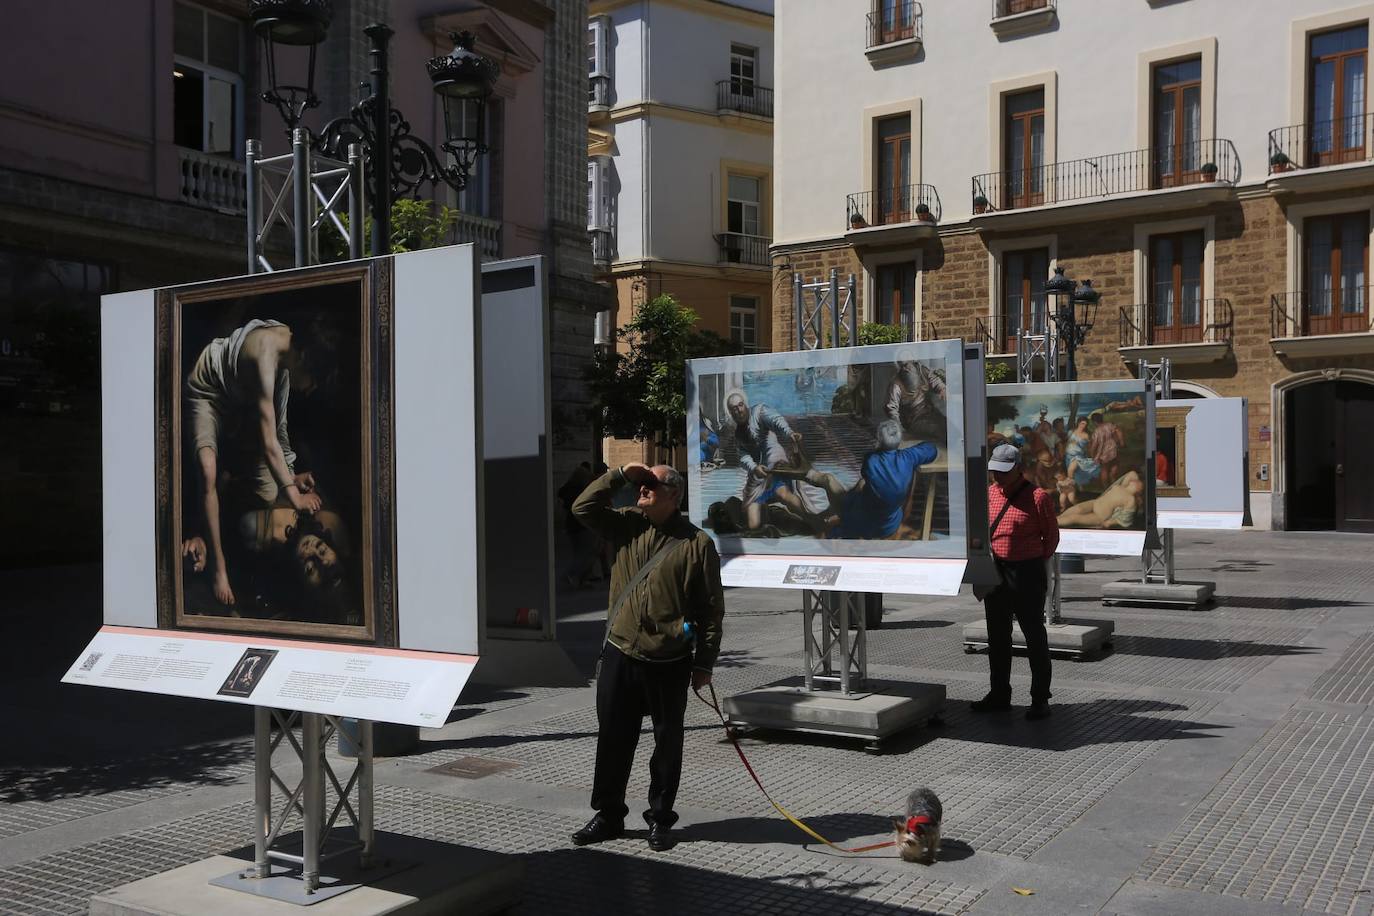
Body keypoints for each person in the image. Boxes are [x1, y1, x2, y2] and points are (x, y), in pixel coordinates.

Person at [569, 462, 725, 852]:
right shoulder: (626, 525)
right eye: (641, 484)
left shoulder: (696, 544)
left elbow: (710, 608)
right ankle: (608, 815)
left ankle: (659, 820)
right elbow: (581, 508)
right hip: (620, 652)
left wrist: (704, 661)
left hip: (669, 662)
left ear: (673, 495)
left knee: (666, 746)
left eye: (651, 485)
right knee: (613, 741)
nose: (642, 489)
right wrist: (619, 474)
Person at [185, 319, 323, 607]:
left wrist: (290, 477)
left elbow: (279, 432)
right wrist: (295, 497)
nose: (308, 388)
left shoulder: (283, 367)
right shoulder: (267, 353)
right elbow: (268, 440)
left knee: (268, 493)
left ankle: (230, 485)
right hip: (209, 390)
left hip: (239, 399)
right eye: (310, 380)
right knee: (207, 472)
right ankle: (218, 568)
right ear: (304, 358)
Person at [974, 442, 1059, 721]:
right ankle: (999, 694)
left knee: (1034, 636)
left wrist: (1031, 560)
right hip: (996, 572)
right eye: (994, 472)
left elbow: (1051, 538)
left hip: (1026, 573)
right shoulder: (988, 495)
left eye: (1003, 472)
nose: (998, 477)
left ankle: (1039, 699)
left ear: (1019, 469)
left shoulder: (1038, 498)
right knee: (997, 637)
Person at [778, 420, 938, 539]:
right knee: (863, 485)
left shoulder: (872, 460)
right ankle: (834, 510)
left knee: (828, 479)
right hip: (889, 524)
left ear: (879, 440)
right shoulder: (908, 457)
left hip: (865, 524)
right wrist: (909, 452)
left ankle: (808, 478)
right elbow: (931, 449)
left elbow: (870, 471)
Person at [725, 390, 819, 529]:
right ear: (731, 413)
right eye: (734, 409)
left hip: (774, 462)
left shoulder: (759, 412)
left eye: (740, 405)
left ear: (745, 405)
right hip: (758, 476)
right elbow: (743, 456)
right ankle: (770, 514)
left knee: (783, 494)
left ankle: (813, 521)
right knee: (753, 525)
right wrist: (754, 468)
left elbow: (776, 421)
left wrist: (789, 433)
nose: (739, 410)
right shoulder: (738, 432)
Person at [1058, 470, 1145, 529]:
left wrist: (1110, 522)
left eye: (1137, 482)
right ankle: (1056, 519)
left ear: (1138, 489)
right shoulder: (1122, 486)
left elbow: (1125, 519)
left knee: (1074, 518)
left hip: (1100, 516)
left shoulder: (1130, 499)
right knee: (1077, 508)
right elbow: (1132, 473)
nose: (1135, 480)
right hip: (1095, 503)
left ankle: (1052, 524)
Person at [885, 358, 947, 440]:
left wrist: (942, 388)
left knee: (946, 424)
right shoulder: (896, 384)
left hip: (929, 410)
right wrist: (899, 430)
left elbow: (934, 380)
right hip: (913, 419)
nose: (906, 368)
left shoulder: (921, 370)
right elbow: (891, 408)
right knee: (936, 428)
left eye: (907, 364)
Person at [1088, 410, 1124, 486]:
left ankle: (1106, 488)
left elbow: (1094, 446)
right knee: (1114, 469)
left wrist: (1092, 455)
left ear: (1094, 422)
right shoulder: (1109, 425)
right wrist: (1120, 442)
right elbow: (1118, 432)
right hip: (1113, 451)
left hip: (1103, 455)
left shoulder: (1096, 432)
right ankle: (1114, 485)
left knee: (1104, 470)